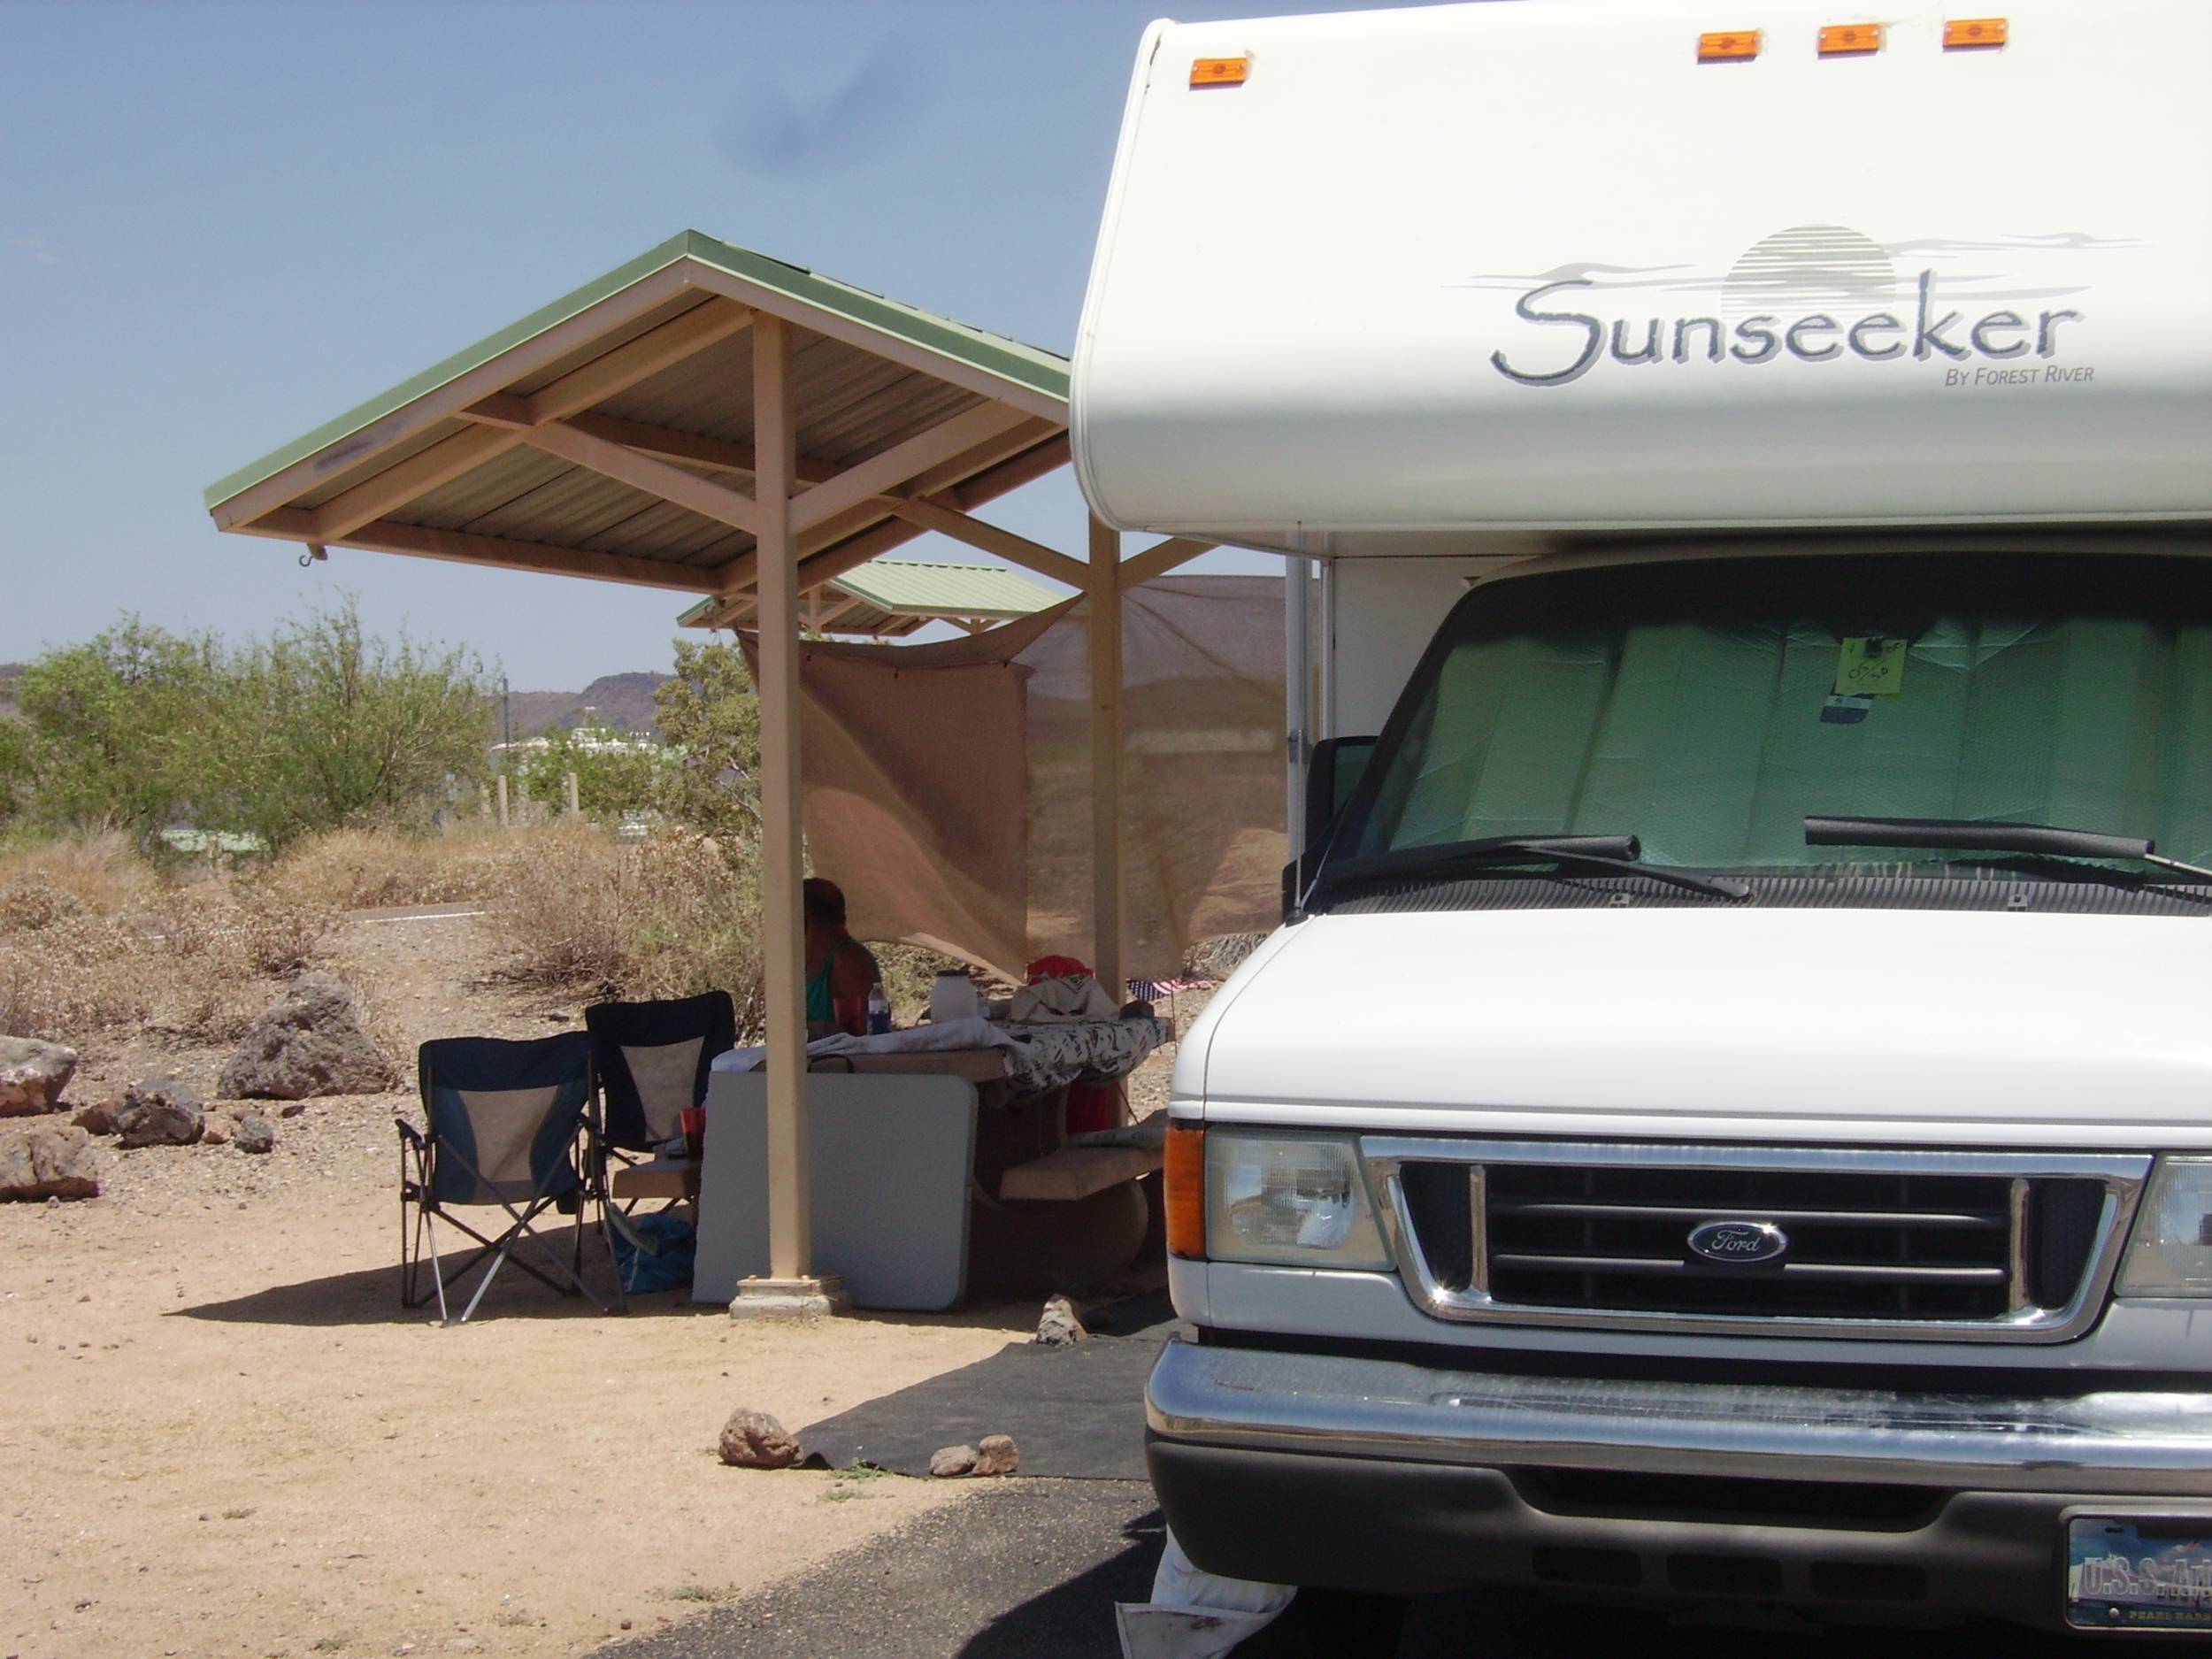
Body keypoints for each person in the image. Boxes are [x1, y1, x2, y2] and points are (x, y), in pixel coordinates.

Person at [803, 877, 882, 1036]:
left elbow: (868, 1034)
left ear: (803, 921)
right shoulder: (800, 960)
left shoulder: (848, 960)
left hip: (842, 1060)